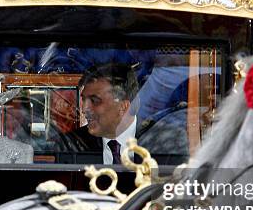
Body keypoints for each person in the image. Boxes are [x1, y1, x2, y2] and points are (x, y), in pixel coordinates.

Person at [54, 63, 189, 165]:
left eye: (94, 101)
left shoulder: (164, 141)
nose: (84, 109)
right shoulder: (71, 145)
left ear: (123, 106)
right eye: (84, 99)